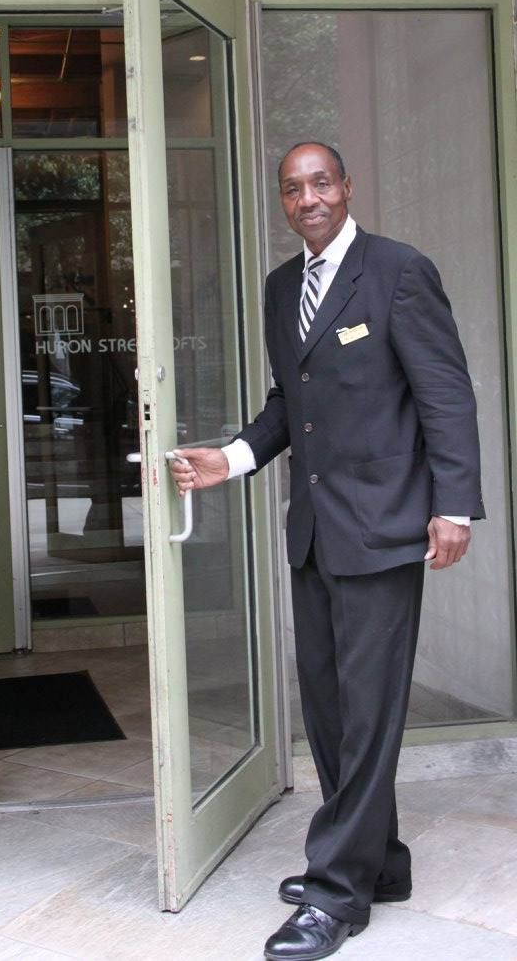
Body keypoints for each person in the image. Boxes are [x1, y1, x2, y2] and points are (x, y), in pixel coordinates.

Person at [169, 142, 483, 961]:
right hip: (314, 529)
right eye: (293, 188)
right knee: (333, 711)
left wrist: (454, 507)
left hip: (384, 527)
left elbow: (445, 392)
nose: (308, 198)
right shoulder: (284, 288)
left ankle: (335, 892)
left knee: (370, 714)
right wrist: (231, 458)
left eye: (321, 183)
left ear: (346, 187)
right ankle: (381, 863)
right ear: (284, 201)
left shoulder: (398, 272)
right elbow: (290, 402)